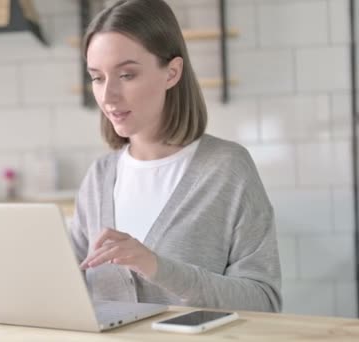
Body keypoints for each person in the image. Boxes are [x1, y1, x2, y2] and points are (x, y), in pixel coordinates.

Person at [70, 0, 282, 312]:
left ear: (172, 72)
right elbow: (66, 284)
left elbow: (265, 302)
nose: (108, 95)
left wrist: (157, 266)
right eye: (98, 77)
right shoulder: (99, 176)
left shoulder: (227, 168)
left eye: (126, 75)